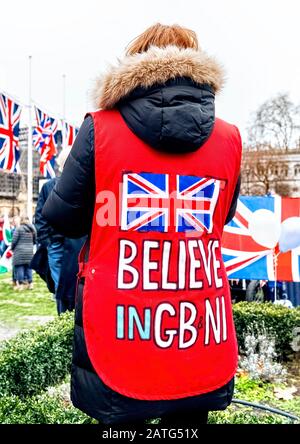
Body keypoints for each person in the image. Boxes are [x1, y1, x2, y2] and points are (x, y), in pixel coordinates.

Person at [43, 23, 242, 426]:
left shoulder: (100, 128)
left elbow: (62, 216)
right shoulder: (229, 138)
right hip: (197, 322)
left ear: (135, 63)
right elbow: (223, 217)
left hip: (119, 319)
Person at [34, 149, 86, 315]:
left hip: (77, 243)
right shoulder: (49, 186)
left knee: (75, 285)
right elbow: (40, 216)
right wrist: (47, 242)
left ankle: (71, 315)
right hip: (57, 244)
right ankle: (64, 317)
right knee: (61, 290)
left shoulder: (81, 184)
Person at [11, 216, 36, 290]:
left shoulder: (19, 229)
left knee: (20, 268)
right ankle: (30, 284)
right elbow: (35, 240)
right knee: (29, 268)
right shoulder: (33, 229)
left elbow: (14, 241)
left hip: (19, 252)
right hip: (29, 251)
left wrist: (12, 248)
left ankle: (21, 285)